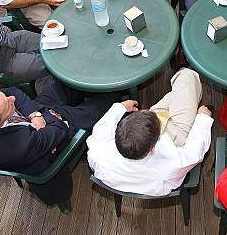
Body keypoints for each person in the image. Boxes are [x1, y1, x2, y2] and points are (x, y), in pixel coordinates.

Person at [0, 82, 121, 205]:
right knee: (109, 97)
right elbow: (59, 128)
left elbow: (12, 91)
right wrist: (46, 120)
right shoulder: (21, 146)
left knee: (67, 83)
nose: (11, 99)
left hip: (39, 122)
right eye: (8, 104)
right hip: (54, 142)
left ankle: (75, 95)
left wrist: (35, 114)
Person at [87, 68, 214, 196]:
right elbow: (194, 152)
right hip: (175, 141)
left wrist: (120, 107)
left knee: (182, 90)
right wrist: (203, 118)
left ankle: (185, 87)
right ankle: (185, 76)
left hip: (149, 144)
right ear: (153, 147)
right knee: (187, 76)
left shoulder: (97, 153)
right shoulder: (171, 165)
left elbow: (102, 127)